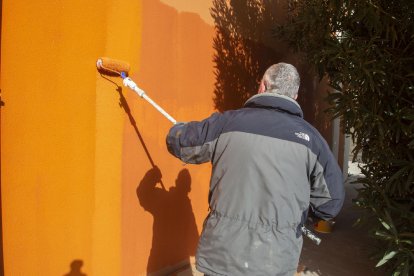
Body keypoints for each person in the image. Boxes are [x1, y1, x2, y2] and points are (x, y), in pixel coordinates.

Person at [166, 63, 345, 276]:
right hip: (275, 260)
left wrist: (178, 129)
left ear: (262, 86)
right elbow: (330, 204)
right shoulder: (312, 140)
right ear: (295, 96)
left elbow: (180, 142)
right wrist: (306, 214)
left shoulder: (225, 124)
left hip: (222, 255)